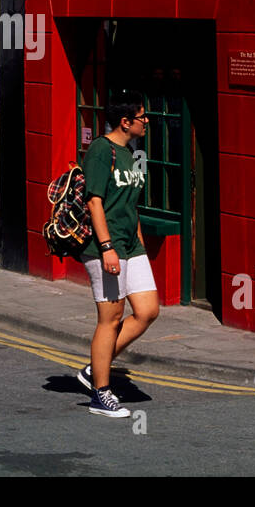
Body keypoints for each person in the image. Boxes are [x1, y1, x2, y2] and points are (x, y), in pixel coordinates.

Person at [76, 92, 158, 418]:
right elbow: (95, 201)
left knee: (148, 310)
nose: (147, 121)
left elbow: (130, 205)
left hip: (131, 244)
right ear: (126, 122)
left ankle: (94, 368)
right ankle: (100, 393)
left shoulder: (133, 152)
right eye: (142, 117)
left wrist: (139, 248)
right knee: (109, 319)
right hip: (104, 246)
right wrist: (108, 247)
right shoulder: (101, 150)